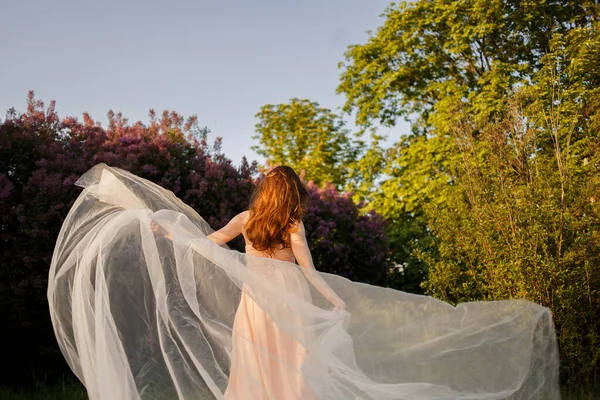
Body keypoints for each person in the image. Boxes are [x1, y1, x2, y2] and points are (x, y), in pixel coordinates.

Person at [48, 163, 560, 400]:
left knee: (257, 364)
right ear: (288, 194)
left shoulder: (249, 220)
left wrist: (170, 231)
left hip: (256, 302)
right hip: (289, 300)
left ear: (262, 192)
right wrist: (336, 303)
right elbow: (311, 273)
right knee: (292, 366)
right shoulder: (293, 225)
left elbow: (209, 243)